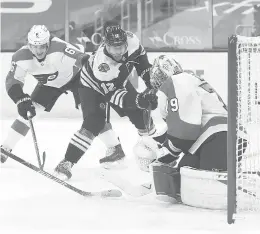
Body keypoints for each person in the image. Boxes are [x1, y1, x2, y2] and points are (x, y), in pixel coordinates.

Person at [0, 25, 122, 166]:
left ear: (48, 43)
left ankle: (115, 148)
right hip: (49, 83)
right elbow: (12, 81)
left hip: (77, 78)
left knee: (91, 114)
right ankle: (6, 148)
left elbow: (83, 59)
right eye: (35, 46)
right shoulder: (20, 57)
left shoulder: (59, 47)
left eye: (43, 46)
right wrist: (20, 99)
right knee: (27, 112)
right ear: (29, 44)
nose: (39, 51)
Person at [54, 20, 158, 180]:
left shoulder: (133, 42)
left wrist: (150, 88)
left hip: (119, 81)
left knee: (142, 115)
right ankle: (66, 162)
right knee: (94, 123)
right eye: (113, 48)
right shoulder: (103, 65)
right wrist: (140, 99)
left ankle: (155, 155)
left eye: (121, 47)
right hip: (91, 86)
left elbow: (143, 66)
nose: (118, 52)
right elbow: (115, 96)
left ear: (126, 43)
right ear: (105, 45)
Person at [134, 54, 247, 200]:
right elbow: (181, 127)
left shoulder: (177, 81)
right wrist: (158, 142)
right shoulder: (189, 80)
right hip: (217, 138)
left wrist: (164, 154)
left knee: (206, 190)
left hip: (218, 137)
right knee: (180, 182)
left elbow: (185, 131)